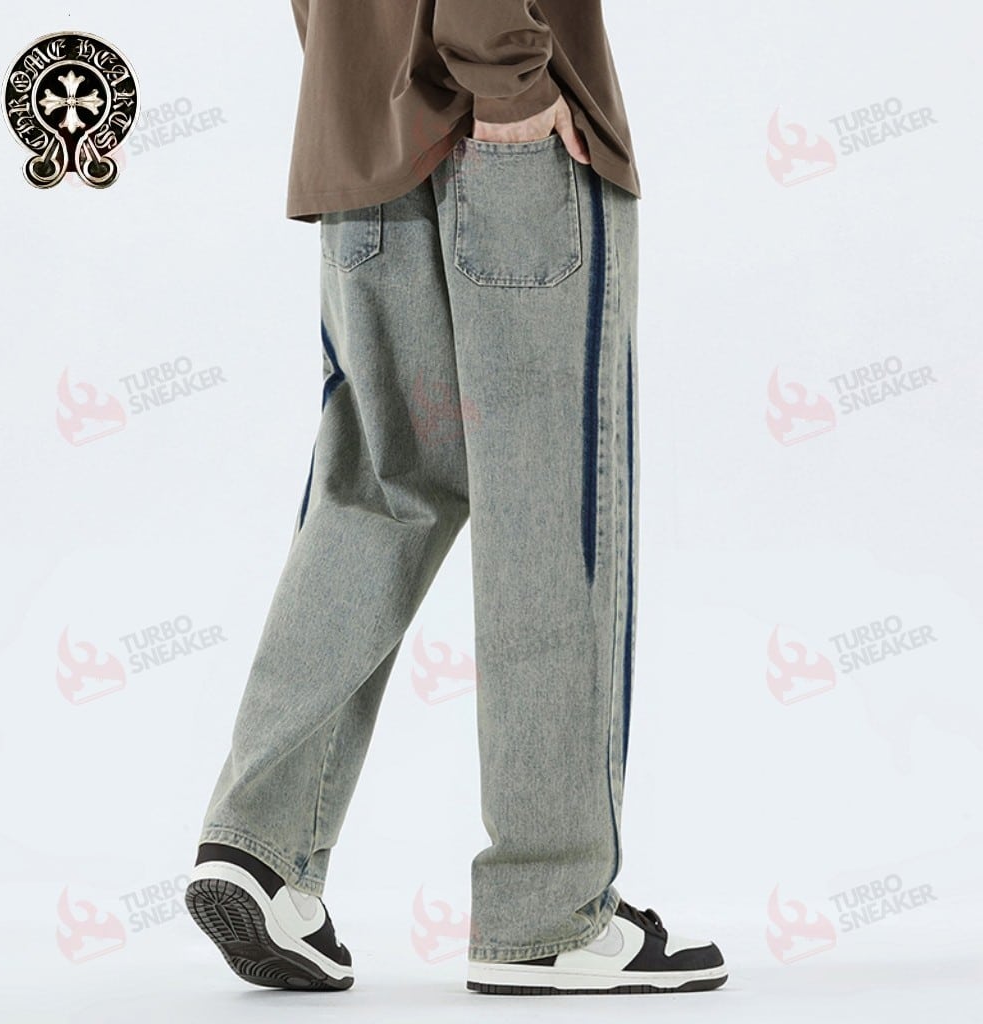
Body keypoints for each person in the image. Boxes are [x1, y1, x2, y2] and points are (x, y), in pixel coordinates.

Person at [185, 0, 728, 996]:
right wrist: (506, 72)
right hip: (505, 135)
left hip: (358, 137)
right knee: (548, 509)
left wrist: (364, 84)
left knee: (382, 492)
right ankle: (547, 909)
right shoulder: (504, 85)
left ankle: (259, 844)